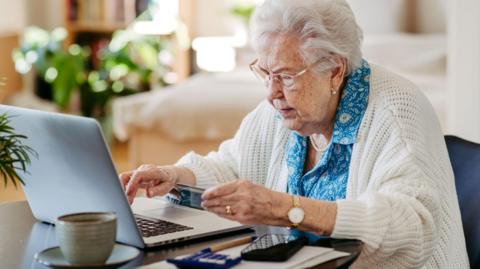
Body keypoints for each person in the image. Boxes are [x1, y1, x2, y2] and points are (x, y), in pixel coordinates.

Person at [119, 0, 469, 267]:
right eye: (265, 72)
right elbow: (234, 165)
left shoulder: (395, 112)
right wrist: (175, 176)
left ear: (334, 70)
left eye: (286, 76)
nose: (271, 92)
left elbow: (413, 224)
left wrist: (287, 209)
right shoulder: (283, 111)